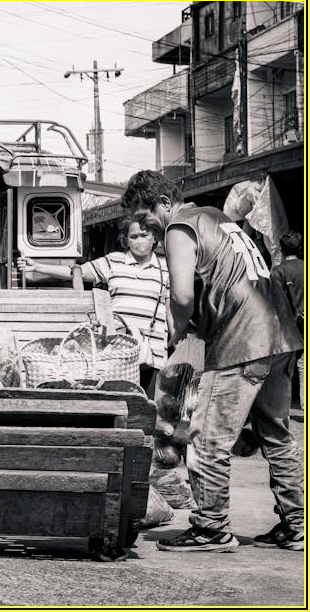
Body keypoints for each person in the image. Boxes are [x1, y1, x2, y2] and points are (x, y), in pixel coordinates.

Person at [121, 170, 303, 553]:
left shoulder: (179, 227)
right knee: (276, 434)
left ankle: (211, 528)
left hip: (242, 339)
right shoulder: (217, 218)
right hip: (280, 333)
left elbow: (183, 295)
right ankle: (298, 525)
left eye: (146, 215)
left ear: (163, 204)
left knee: (206, 439)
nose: (146, 226)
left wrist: (179, 332)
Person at [18, 215, 170, 396]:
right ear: (126, 240)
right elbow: (77, 272)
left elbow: (171, 307)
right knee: (121, 401)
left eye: (144, 235)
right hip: (118, 350)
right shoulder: (114, 261)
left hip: (153, 350)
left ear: (154, 237)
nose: (139, 241)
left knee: (150, 406)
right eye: (133, 237)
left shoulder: (165, 267)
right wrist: (37, 267)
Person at [272, 230, 303, 411]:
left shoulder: (278, 271)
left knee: (285, 370)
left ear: (281, 250)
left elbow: (274, 302)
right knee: (304, 365)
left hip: (288, 328)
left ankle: (282, 411)